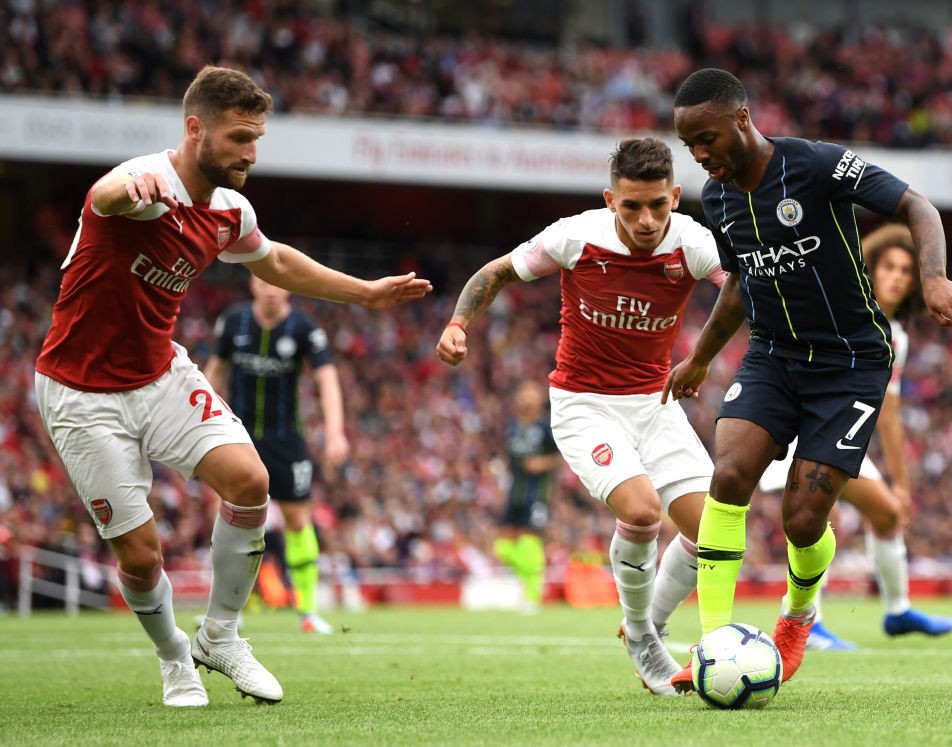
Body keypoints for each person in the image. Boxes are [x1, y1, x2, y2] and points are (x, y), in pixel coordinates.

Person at [33, 65, 431, 707]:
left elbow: (272, 260)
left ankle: (220, 636)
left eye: (257, 139)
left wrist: (363, 293)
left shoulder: (227, 211)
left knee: (251, 482)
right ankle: (174, 661)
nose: (251, 153)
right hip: (81, 393)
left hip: (160, 372)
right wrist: (126, 186)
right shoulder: (144, 185)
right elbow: (105, 196)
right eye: (240, 138)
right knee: (140, 553)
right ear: (196, 130)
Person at [663, 68, 952, 691]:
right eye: (689, 143)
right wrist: (699, 357)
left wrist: (933, 276)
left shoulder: (817, 165)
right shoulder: (719, 197)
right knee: (727, 477)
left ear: (742, 119)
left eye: (708, 138)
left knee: (803, 520)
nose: (700, 154)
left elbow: (918, 204)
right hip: (774, 355)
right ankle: (713, 644)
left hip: (851, 362)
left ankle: (798, 617)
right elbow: (741, 284)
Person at [436, 136, 727, 696]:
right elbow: (493, 274)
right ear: (609, 199)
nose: (646, 220)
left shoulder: (692, 243)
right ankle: (643, 636)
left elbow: (744, 287)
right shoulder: (575, 236)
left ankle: (650, 626)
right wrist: (458, 324)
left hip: (657, 403)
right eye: (631, 206)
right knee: (642, 513)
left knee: (712, 531)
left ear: (676, 197)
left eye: (658, 206)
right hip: (584, 405)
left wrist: (704, 357)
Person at [757, 224, 952, 649]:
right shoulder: (843, 308)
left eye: (906, 269)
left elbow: (889, 413)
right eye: (889, 266)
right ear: (870, 268)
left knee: (884, 514)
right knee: (816, 516)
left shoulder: (894, 337)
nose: (898, 276)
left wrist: (902, 482)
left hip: (841, 433)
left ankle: (897, 611)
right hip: (806, 426)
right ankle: (809, 623)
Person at [205, 276, 350, 634]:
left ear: (288, 286)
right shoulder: (233, 321)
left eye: (276, 282)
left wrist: (335, 432)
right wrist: (199, 420)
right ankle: (226, 612)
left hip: (286, 441)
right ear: (252, 284)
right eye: (262, 281)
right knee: (227, 519)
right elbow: (215, 371)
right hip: (236, 438)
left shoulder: (303, 327)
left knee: (298, 521)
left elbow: (326, 378)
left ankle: (308, 611)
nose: (270, 288)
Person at [492, 379, 562, 614]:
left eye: (531, 393)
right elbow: (510, 459)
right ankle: (528, 582)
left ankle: (532, 594)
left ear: (540, 399)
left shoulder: (546, 427)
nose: (527, 398)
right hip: (515, 492)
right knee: (502, 546)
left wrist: (543, 463)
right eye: (523, 393)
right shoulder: (512, 428)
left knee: (529, 541)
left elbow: (561, 456)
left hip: (537, 493)